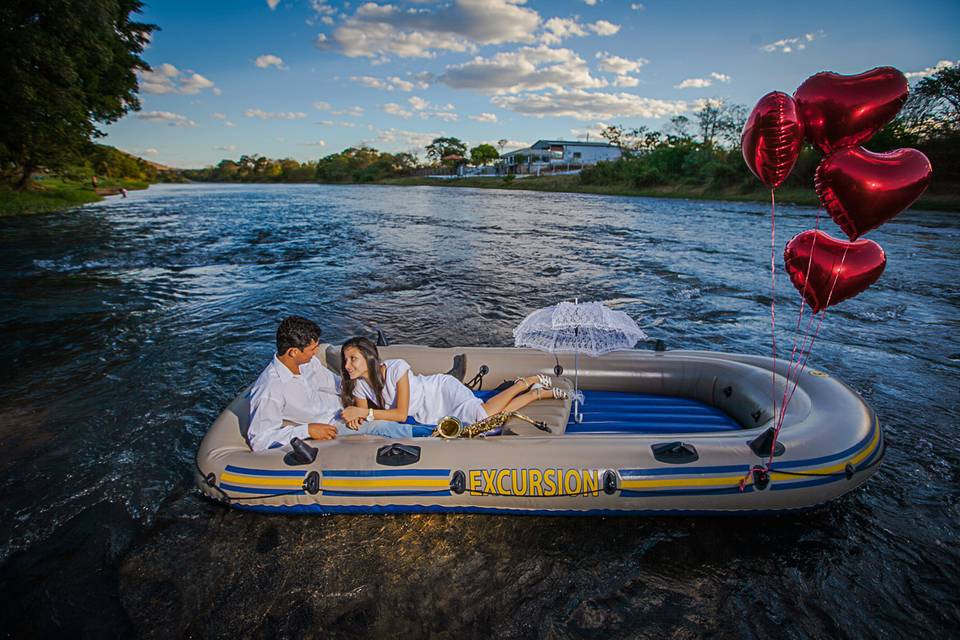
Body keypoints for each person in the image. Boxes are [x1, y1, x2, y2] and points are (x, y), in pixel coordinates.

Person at [246, 317, 410, 452]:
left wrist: (359, 399)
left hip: (347, 408)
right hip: (333, 423)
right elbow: (260, 440)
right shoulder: (269, 389)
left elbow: (337, 384)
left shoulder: (308, 363)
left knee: (395, 404)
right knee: (382, 427)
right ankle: (432, 436)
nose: (316, 352)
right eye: (312, 349)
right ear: (294, 352)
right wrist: (307, 430)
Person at [339, 337, 567, 429]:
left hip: (441, 390)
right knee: (486, 425)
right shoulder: (360, 384)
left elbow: (398, 415)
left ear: (369, 358)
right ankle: (535, 395)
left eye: (353, 359)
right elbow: (364, 413)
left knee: (481, 416)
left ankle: (524, 383)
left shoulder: (396, 367)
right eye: (345, 359)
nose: (348, 365)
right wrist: (355, 419)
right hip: (429, 413)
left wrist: (361, 413)